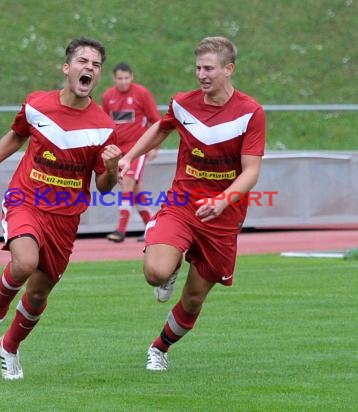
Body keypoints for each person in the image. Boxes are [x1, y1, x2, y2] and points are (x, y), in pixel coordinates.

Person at [0, 37, 121, 380]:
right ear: (67, 68)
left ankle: (9, 346)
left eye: (95, 65)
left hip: (65, 217)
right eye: (82, 61)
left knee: (37, 294)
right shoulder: (37, 104)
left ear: (98, 76)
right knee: (24, 262)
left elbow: (104, 187)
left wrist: (111, 168)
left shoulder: (104, 127)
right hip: (27, 199)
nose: (89, 68)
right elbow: (17, 134)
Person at [118, 36, 266, 371]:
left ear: (229, 69)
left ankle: (160, 348)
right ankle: (169, 268)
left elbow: (251, 171)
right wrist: (129, 157)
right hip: (183, 202)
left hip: (223, 216)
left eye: (209, 68)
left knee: (194, 297)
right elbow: (161, 128)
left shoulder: (250, 113)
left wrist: (224, 200)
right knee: (155, 272)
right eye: (198, 67)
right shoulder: (183, 103)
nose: (202, 74)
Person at [102, 62, 162, 243]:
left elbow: (156, 121)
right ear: (114, 78)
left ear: (132, 77)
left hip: (137, 149)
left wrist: (154, 147)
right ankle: (152, 228)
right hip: (119, 151)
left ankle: (120, 230)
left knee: (127, 182)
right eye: (120, 78)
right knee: (135, 190)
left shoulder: (141, 93)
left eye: (126, 78)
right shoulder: (108, 97)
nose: (123, 82)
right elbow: (105, 124)